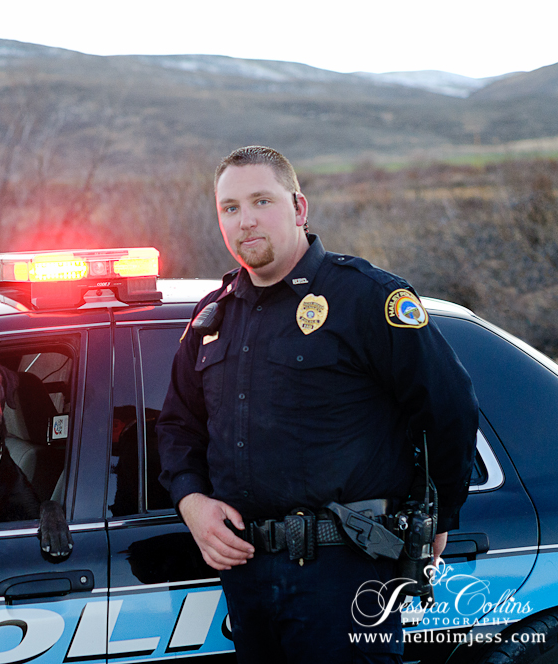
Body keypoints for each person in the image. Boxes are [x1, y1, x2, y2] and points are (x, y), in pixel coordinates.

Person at [156, 146, 478, 663]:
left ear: (299, 208)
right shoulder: (212, 317)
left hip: (348, 571)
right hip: (248, 572)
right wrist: (191, 502)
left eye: (261, 201)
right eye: (230, 208)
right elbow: (177, 426)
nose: (245, 220)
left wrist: (440, 518)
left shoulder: (367, 299)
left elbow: (448, 409)